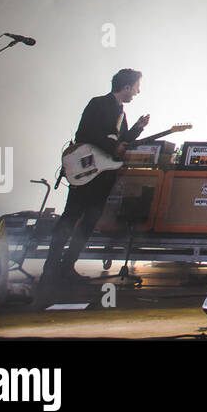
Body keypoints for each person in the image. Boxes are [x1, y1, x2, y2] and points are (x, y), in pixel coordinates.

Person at [42, 69, 149, 284]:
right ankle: (50, 268)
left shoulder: (121, 113)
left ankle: (67, 266)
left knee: (89, 219)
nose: (138, 91)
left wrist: (136, 129)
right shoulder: (99, 104)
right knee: (70, 216)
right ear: (126, 87)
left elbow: (121, 141)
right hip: (86, 169)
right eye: (136, 87)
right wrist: (113, 146)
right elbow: (86, 134)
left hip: (102, 174)